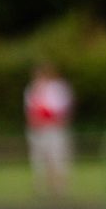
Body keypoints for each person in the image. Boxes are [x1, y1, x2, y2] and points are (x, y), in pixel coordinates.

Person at [24, 64, 74, 192]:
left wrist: (52, 121)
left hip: (53, 129)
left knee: (57, 158)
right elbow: (30, 111)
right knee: (39, 160)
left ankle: (59, 188)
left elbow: (62, 111)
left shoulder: (57, 89)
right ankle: (41, 187)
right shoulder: (31, 89)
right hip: (38, 130)